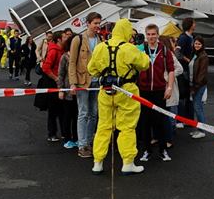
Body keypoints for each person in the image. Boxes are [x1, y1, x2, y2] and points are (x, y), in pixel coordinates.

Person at [87, 18, 151, 175]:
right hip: (127, 91)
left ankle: (98, 162)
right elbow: (145, 64)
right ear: (126, 31)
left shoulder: (101, 47)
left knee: (103, 126)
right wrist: (139, 50)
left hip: (106, 91)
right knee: (127, 127)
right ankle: (128, 163)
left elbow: (92, 70)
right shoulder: (130, 48)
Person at [136, 24, 175, 162]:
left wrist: (169, 87)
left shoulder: (164, 50)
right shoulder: (141, 50)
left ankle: (163, 150)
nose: (151, 37)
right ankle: (147, 150)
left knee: (161, 122)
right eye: (149, 34)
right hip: (144, 91)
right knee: (145, 123)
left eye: (154, 34)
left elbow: (171, 70)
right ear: (146, 35)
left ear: (158, 35)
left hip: (159, 91)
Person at [69, 12, 102, 159]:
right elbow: (72, 62)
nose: (97, 26)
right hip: (82, 81)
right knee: (83, 112)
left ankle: (89, 142)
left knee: (94, 113)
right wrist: (72, 83)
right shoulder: (78, 39)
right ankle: (82, 145)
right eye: (95, 23)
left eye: (99, 23)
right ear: (88, 23)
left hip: (96, 81)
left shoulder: (100, 40)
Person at [36, 33, 64, 143]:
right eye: (65, 37)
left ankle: (61, 132)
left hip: (58, 83)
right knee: (53, 110)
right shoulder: (54, 51)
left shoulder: (60, 50)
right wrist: (56, 78)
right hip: (52, 84)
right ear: (58, 40)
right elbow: (46, 68)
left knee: (61, 109)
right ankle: (52, 133)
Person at [56, 33, 78, 149]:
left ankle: (76, 138)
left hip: (79, 92)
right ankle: (67, 138)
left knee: (77, 116)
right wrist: (61, 89)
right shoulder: (65, 57)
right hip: (67, 91)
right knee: (67, 116)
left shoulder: (80, 56)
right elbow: (60, 74)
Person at [176, 18, 195, 127]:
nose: (195, 24)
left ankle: (188, 120)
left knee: (189, 96)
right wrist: (188, 60)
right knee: (183, 95)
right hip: (184, 71)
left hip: (190, 70)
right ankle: (180, 120)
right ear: (190, 24)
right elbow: (177, 52)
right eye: (194, 22)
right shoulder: (183, 38)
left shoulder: (192, 37)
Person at [189, 37, 209, 140]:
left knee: (198, 107)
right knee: (197, 107)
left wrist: (195, 87)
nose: (197, 45)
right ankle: (199, 128)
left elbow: (202, 74)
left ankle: (202, 131)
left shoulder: (203, 56)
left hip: (199, 86)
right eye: (195, 43)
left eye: (199, 44)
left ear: (202, 45)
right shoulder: (195, 55)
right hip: (194, 85)